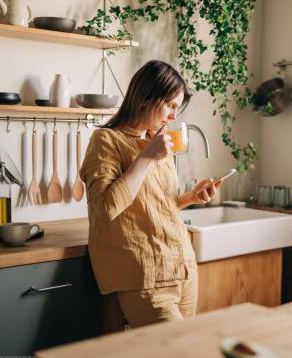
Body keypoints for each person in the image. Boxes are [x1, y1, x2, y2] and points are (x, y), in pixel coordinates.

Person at [79, 60, 221, 328]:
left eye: (177, 108)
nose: (173, 116)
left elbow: (156, 205)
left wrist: (192, 197)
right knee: (180, 354)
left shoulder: (156, 143)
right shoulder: (106, 141)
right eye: (170, 106)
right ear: (145, 98)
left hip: (183, 268)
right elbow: (105, 207)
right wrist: (146, 157)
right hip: (145, 275)